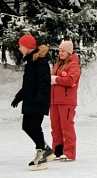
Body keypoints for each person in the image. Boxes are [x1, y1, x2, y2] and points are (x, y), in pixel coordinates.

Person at [10, 34, 55, 170]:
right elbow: (28, 84)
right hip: (30, 100)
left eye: (21, 45)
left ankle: (42, 151)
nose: (19, 48)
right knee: (26, 126)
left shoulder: (40, 62)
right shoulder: (31, 62)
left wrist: (41, 98)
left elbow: (44, 82)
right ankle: (45, 148)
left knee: (35, 127)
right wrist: (19, 96)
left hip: (37, 101)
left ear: (28, 46)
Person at [50, 40, 81, 162]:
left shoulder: (73, 65)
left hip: (66, 101)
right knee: (55, 127)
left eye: (63, 51)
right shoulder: (57, 64)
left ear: (69, 52)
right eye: (59, 51)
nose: (61, 53)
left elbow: (70, 80)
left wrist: (56, 79)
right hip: (54, 101)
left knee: (67, 127)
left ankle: (69, 152)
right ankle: (58, 150)